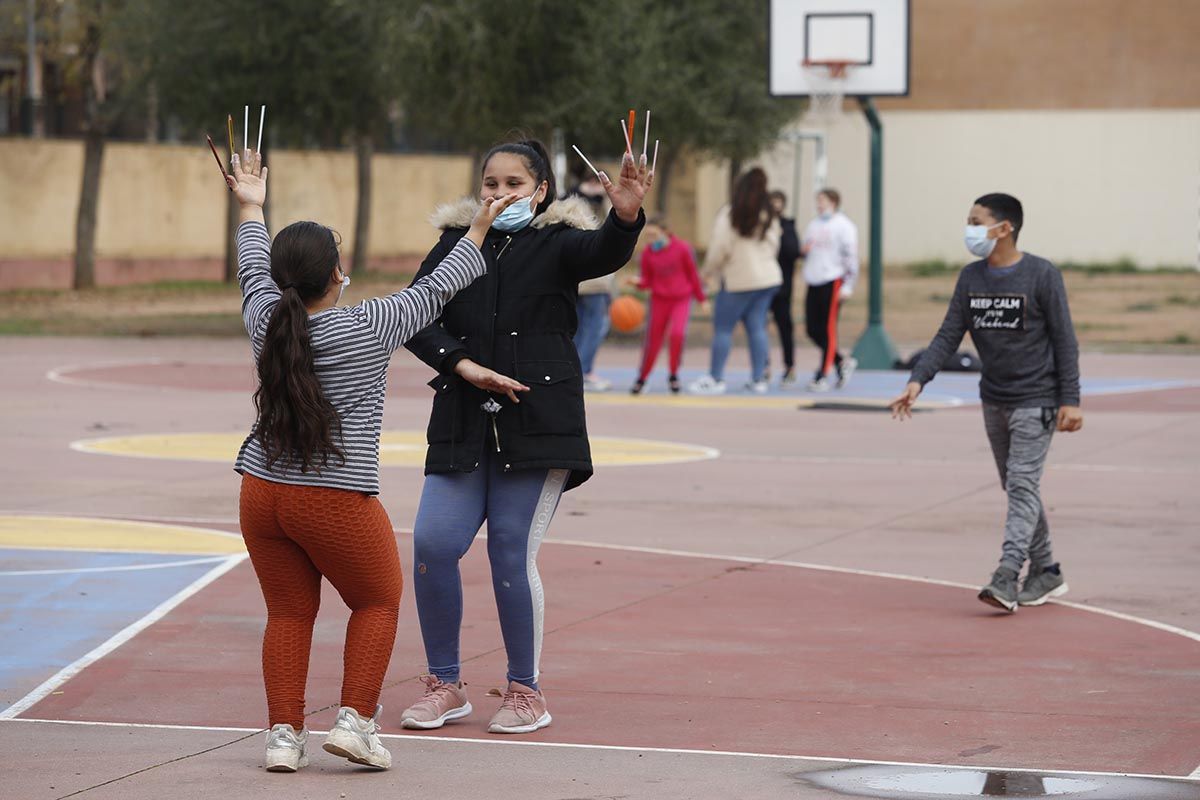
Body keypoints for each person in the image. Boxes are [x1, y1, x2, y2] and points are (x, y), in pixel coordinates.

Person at [225, 149, 515, 771]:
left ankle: (283, 738)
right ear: (337, 272)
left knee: (288, 612)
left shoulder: (263, 320)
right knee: (378, 600)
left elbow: (252, 268)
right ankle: (355, 722)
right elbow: (440, 285)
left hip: (260, 493)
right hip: (332, 497)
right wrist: (481, 227)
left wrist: (250, 205)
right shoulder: (371, 324)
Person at [399, 138, 651, 734]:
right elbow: (415, 314)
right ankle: (445, 684)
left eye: (514, 184)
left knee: (509, 550)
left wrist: (626, 214)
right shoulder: (455, 245)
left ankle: (524, 690)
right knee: (433, 546)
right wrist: (461, 364)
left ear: (539, 191)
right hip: (463, 422)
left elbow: (604, 252)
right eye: (491, 183)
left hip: (539, 426)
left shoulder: (559, 242)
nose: (499, 194)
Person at [889, 192, 1083, 613]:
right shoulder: (971, 278)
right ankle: (1047, 570)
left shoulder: (1041, 275)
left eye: (977, 221)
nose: (970, 229)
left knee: (1021, 484)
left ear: (1004, 227)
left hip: (1038, 398)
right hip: (994, 398)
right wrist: (918, 379)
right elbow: (947, 335)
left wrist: (1071, 399)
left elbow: (1065, 341)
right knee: (1016, 486)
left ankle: (1007, 575)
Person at [688, 167, 782, 395]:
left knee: (723, 329)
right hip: (768, 278)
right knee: (757, 327)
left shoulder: (730, 213)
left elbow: (720, 248)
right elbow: (774, 244)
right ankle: (759, 379)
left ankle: (716, 378)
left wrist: (708, 272)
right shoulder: (767, 213)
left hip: (739, 279)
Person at [627, 217, 705, 394]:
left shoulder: (683, 249)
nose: (651, 239)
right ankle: (643, 377)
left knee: (677, 334)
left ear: (665, 232)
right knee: (653, 341)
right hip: (659, 300)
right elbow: (647, 280)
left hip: (681, 299)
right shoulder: (647, 253)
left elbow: (693, 275)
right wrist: (637, 282)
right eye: (648, 236)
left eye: (654, 235)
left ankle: (674, 374)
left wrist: (701, 298)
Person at [801, 188, 859, 391]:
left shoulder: (844, 226)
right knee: (812, 329)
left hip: (832, 281)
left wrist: (848, 284)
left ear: (833, 202)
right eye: (817, 201)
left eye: (823, 201)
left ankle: (822, 375)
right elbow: (806, 249)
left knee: (828, 329)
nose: (819, 205)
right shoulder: (813, 225)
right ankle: (841, 362)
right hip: (814, 280)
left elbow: (851, 257)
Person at [572, 177, 616, 392]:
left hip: (577, 280)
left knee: (579, 327)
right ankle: (585, 370)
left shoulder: (570, 208)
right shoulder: (602, 211)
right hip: (596, 282)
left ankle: (577, 370)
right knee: (594, 328)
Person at [767, 190, 802, 385]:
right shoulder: (760, 225)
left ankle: (789, 366)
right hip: (763, 284)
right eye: (772, 201)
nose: (775, 206)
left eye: (778, 202)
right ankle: (763, 366)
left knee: (784, 326)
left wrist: (781, 237)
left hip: (783, 286)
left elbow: (794, 252)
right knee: (759, 326)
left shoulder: (788, 226)